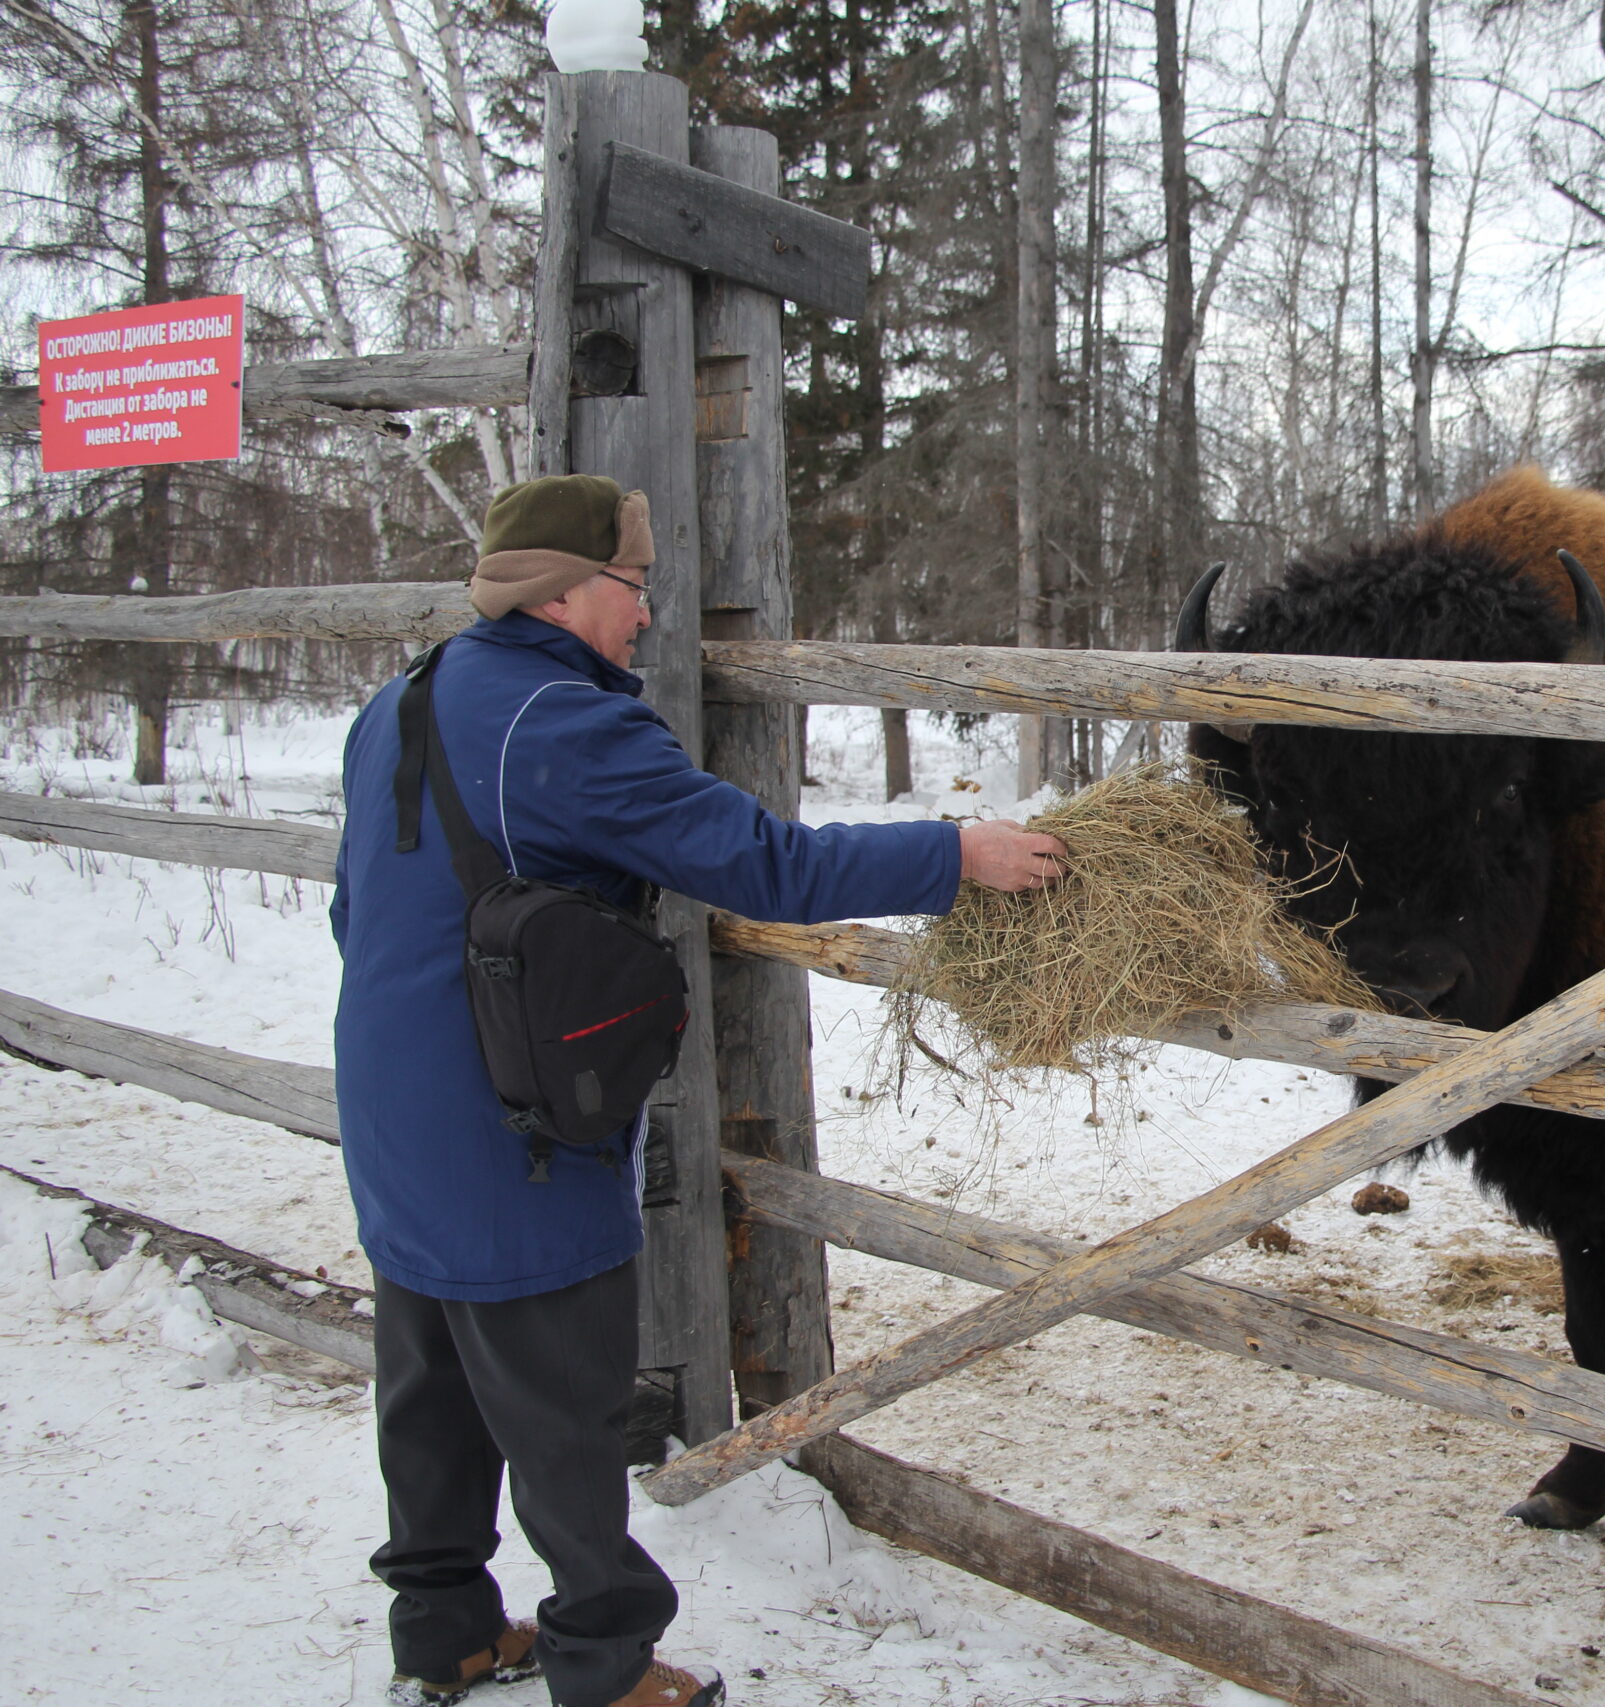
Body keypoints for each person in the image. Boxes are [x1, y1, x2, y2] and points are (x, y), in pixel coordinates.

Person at [331, 474, 1064, 1707]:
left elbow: (356, 903)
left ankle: (445, 1626)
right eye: (635, 588)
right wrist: (954, 852)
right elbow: (760, 861)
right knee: (562, 1404)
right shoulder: (563, 727)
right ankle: (604, 1662)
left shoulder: (400, 698)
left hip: (392, 1103)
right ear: (564, 591)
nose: (649, 617)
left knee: (429, 1381)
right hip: (512, 1121)